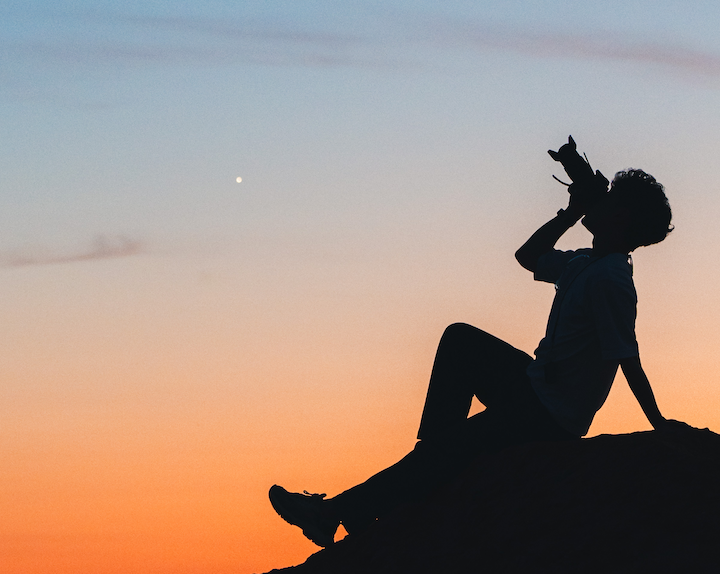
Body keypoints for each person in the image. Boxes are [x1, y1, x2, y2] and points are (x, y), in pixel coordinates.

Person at [269, 135, 681, 546]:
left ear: (621, 218)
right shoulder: (583, 263)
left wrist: (658, 422)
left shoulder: (611, 280)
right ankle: (429, 459)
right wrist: (572, 211)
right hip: (535, 384)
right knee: (460, 340)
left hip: (549, 414)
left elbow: (626, 356)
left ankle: (334, 513)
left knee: (446, 445)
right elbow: (528, 256)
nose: (599, 197)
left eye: (608, 199)